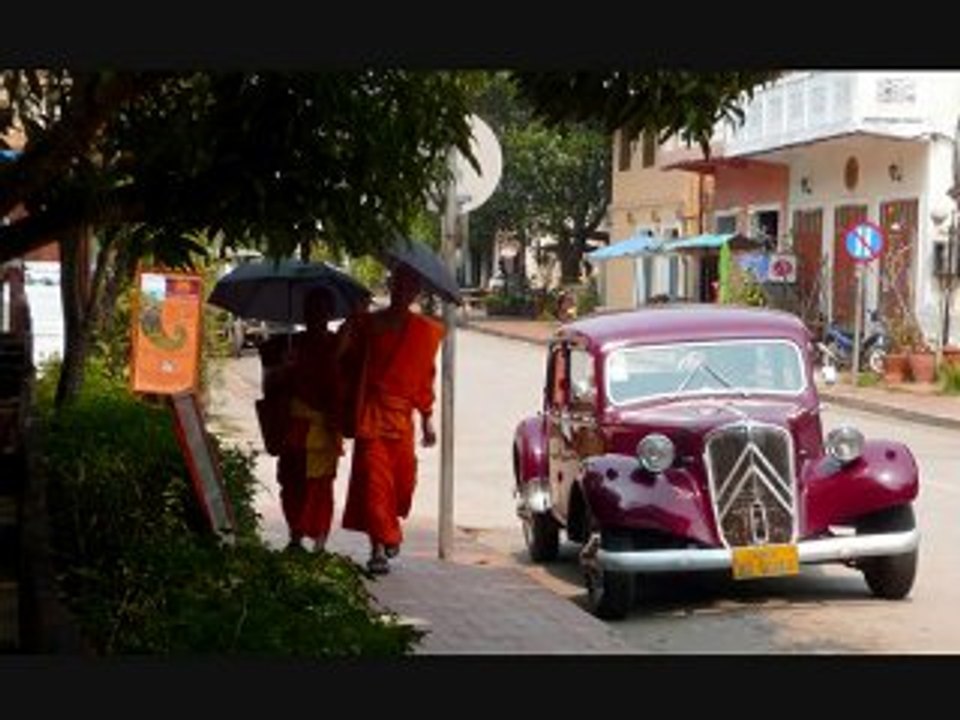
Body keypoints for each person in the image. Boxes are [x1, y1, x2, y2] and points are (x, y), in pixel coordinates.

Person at [339, 264, 445, 575]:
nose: (402, 292)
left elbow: (425, 378)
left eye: (409, 288)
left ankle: (388, 529)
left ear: (416, 293)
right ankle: (378, 548)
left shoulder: (423, 331)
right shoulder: (369, 325)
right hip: (371, 416)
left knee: (401, 485)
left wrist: (427, 418)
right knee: (374, 484)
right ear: (391, 286)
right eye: (398, 285)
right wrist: (349, 327)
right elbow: (343, 360)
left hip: (402, 421)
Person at [258, 286, 345, 553]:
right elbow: (268, 385)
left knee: (320, 487)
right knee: (291, 482)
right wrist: (283, 370)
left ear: (329, 314)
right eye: (310, 310)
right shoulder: (289, 344)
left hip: (325, 425)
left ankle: (319, 540)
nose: (315, 315)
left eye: (321, 310)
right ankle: (295, 536)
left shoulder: (338, 346)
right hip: (294, 425)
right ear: (303, 313)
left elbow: (346, 385)